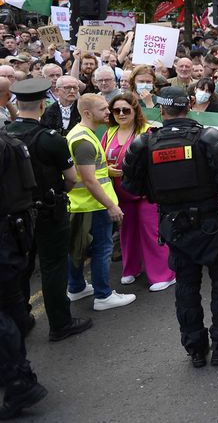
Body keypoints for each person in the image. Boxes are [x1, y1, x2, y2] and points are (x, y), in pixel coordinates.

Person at [121, 87, 218, 368]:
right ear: (188, 106)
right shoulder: (208, 138)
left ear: (161, 110)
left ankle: (196, 349)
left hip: (174, 226)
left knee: (186, 286)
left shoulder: (143, 144)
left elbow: (130, 186)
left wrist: (165, 198)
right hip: (211, 224)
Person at [6, 79, 91, 343]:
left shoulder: (6, 135)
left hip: (15, 214)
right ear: (43, 104)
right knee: (53, 267)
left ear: (17, 104)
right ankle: (60, 323)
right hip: (48, 211)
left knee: (21, 267)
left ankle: (21, 319)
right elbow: (71, 178)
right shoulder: (50, 139)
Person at [65, 94, 135, 311]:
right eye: (104, 109)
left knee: (77, 248)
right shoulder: (84, 141)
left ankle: (76, 288)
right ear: (87, 113)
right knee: (101, 249)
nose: (109, 112)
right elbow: (89, 180)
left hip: (84, 204)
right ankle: (103, 295)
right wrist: (111, 206)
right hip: (92, 205)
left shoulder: (82, 134)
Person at [102, 92, 175, 292]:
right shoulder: (109, 133)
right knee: (127, 231)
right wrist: (107, 170)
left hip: (145, 192)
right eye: (117, 110)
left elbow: (158, 160)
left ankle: (164, 274)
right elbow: (100, 160)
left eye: (126, 109)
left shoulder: (148, 131)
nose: (121, 114)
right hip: (120, 193)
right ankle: (131, 268)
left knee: (151, 231)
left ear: (135, 110)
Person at [0, 125, 47, 418]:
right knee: (11, 303)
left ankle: (19, 381)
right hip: (13, 233)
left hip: (5, 235)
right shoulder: (10, 141)